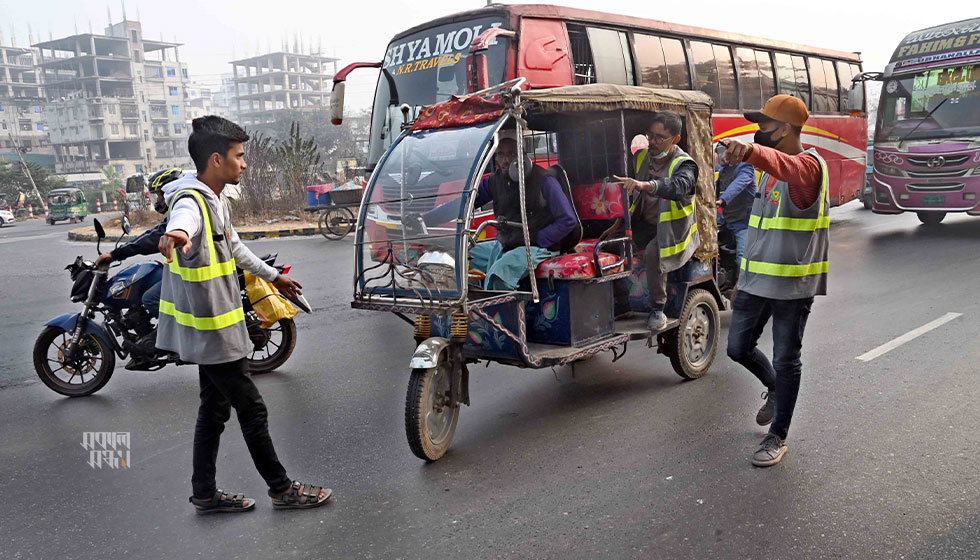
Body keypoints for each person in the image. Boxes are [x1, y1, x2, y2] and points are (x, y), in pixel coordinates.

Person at [157, 115, 332, 512]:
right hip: (213, 332)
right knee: (250, 408)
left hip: (214, 328)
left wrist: (274, 278)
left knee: (214, 408)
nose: (245, 164)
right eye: (239, 156)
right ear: (216, 160)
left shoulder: (214, 199)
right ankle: (282, 489)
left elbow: (234, 248)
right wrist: (178, 233)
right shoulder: (191, 201)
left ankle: (204, 493)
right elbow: (184, 222)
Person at [721, 94, 830, 467]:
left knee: (787, 359)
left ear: (784, 129)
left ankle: (778, 435)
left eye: (763, 125)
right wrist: (741, 278)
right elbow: (758, 229)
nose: (757, 131)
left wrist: (749, 153)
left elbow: (788, 166)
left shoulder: (808, 168)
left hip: (791, 285)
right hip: (754, 282)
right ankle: (773, 388)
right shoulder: (769, 175)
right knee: (737, 348)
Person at [411, 129, 578, 290]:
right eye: (501, 154)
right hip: (506, 243)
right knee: (461, 254)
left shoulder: (544, 180)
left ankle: (503, 317)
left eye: (511, 154)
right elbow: (464, 204)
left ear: (523, 155)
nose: (505, 160)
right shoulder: (494, 181)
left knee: (499, 275)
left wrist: (539, 238)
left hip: (537, 247)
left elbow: (568, 220)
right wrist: (425, 219)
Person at [612, 111, 700, 331]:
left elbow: (678, 186)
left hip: (674, 231)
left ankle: (657, 309)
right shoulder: (641, 157)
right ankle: (622, 304)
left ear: (676, 139)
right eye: (650, 136)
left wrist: (645, 185)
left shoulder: (685, 165)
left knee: (654, 253)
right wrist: (617, 224)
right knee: (611, 243)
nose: (653, 141)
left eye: (660, 137)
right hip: (644, 224)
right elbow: (631, 197)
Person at [715, 143, 757, 265]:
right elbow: (716, 187)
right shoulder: (724, 171)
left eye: (723, 152)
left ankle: (741, 283)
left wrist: (722, 200)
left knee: (742, 259)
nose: (721, 156)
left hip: (744, 223)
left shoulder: (746, 168)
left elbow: (738, 184)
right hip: (728, 222)